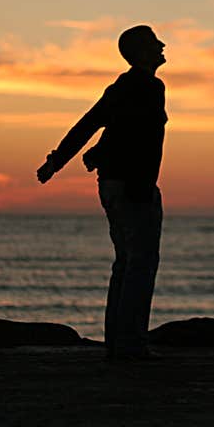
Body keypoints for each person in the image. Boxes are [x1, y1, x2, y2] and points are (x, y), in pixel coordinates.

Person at [36, 25, 167, 360]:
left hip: (112, 184)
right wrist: (135, 182)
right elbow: (136, 136)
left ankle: (119, 342)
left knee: (126, 263)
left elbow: (91, 124)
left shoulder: (121, 88)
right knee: (139, 264)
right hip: (132, 184)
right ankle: (131, 345)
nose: (162, 46)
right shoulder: (148, 86)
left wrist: (57, 162)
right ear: (140, 53)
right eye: (154, 43)